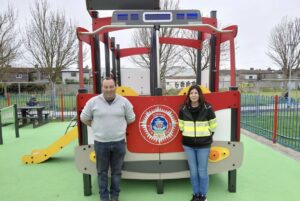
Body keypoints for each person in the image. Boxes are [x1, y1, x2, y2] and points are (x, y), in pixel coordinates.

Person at [80, 77, 135, 201]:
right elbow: (84, 117)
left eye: (111, 86)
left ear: (116, 87)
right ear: (102, 87)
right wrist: (94, 126)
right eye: (106, 87)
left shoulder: (124, 102)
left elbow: (131, 118)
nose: (109, 89)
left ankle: (114, 196)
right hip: (100, 143)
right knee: (102, 173)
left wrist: (119, 127)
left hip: (119, 142)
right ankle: (104, 197)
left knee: (116, 172)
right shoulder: (93, 102)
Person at [178, 85, 217, 201]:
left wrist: (207, 135)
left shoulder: (208, 108)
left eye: (196, 93)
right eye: (191, 93)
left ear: (199, 94)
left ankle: (203, 195)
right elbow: (181, 125)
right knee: (193, 171)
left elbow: (213, 125)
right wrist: (185, 132)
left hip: (203, 145)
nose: (193, 95)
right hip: (188, 145)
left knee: (202, 171)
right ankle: (196, 194)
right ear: (188, 95)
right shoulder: (183, 109)